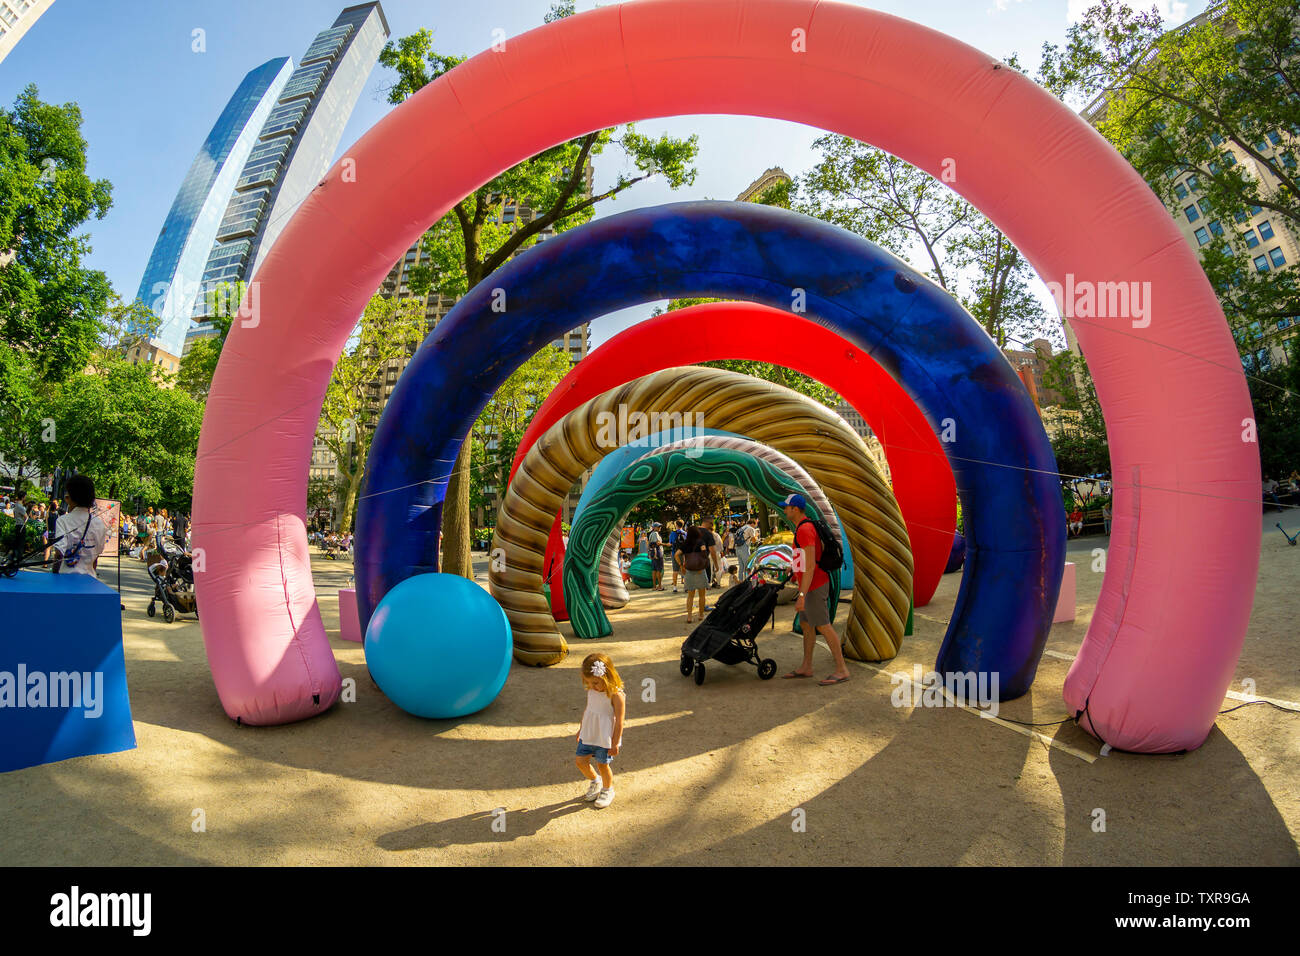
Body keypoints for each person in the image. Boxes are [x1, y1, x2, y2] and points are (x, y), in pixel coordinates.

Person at [778, 493, 851, 686]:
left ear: (795, 508)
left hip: (814, 586)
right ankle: (806, 666)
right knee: (807, 625)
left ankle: (842, 669)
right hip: (809, 585)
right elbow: (804, 559)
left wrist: (801, 595)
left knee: (823, 626)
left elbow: (811, 565)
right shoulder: (802, 528)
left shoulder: (805, 529)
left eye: (786, 507)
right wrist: (794, 568)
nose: (784, 510)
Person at [574, 652, 625, 809]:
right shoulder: (592, 691)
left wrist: (615, 743)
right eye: (588, 683)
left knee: (603, 765)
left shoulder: (616, 696)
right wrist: (581, 729)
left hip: (604, 736)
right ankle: (595, 781)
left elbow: (619, 722)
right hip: (589, 732)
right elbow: (588, 710)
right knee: (580, 761)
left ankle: (608, 789)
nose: (591, 686)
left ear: (607, 677)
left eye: (595, 683)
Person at [52, 475, 109, 577]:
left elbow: (59, 553)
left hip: (65, 579)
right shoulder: (99, 523)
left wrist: (54, 574)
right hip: (89, 579)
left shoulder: (63, 521)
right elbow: (96, 557)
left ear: (69, 497)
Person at [676, 524, 711, 623]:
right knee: (702, 595)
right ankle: (700, 615)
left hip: (689, 571)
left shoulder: (685, 543)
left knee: (690, 596)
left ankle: (689, 617)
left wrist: (681, 565)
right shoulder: (701, 542)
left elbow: (676, 555)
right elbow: (705, 555)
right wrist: (703, 565)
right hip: (700, 570)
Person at [647, 521, 665, 590]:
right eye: (658, 526)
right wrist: (666, 544)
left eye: (660, 526)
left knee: (654, 570)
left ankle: (654, 586)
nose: (660, 527)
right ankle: (660, 586)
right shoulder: (656, 533)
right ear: (654, 527)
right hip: (657, 553)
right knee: (658, 570)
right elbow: (657, 543)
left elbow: (650, 544)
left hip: (652, 553)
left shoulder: (651, 534)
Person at [669, 519, 685, 592]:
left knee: (675, 571)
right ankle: (686, 587)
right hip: (683, 553)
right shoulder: (685, 533)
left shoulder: (673, 533)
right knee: (684, 569)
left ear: (676, 525)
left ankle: (675, 588)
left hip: (674, 553)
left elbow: (671, 543)